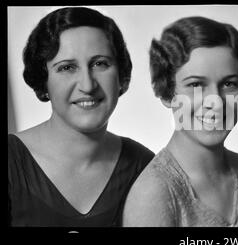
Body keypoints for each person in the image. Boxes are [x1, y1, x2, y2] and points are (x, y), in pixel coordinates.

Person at [123, 16, 238, 227]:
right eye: (196, 84)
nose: (215, 102)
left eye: (229, 84)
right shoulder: (153, 194)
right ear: (167, 94)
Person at [8, 7, 155, 226]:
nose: (87, 85)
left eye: (100, 64)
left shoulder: (144, 167)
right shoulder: (11, 161)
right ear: (43, 81)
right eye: (67, 67)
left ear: (120, 76)